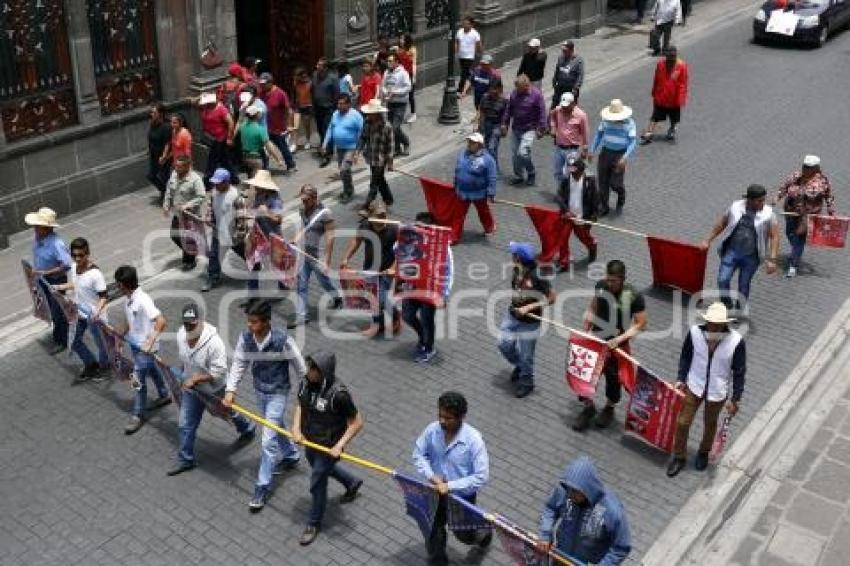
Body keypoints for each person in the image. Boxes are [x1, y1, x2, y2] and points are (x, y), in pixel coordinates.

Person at [223, 300, 305, 511]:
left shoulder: (283, 341)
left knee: (268, 440)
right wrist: (231, 390)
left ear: (267, 322)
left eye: (254, 322)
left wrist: (306, 397)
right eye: (248, 321)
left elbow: (301, 369)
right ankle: (291, 455)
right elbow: (240, 363)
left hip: (278, 393)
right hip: (260, 392)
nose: (250, 326)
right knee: (276, 426)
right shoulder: (246, 338)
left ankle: (262, 486)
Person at [167, 303, 257, 476]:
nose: (188, 328)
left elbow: (219, 371)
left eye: (192, 325)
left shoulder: (214, 343)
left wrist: (196, 378)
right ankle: (186, 459)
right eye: (186, 324)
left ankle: (247, 428)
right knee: (186, 424)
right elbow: (185, 361)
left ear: (201, 322)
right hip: (192, 390)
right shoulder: (180, 335)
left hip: (215, 390)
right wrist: (184, 377)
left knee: (227, 412)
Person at [292, 351, 364, 545]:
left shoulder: (339, 395)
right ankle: (351, 482)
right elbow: (300, 405)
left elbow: (357, 422)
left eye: (313, 369)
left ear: (323, 372)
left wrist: (340, 446)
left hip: (329, 446)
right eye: (309, 367)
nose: (308, 372)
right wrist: (296, 428)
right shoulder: (306, 383)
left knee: (318, 481)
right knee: (318, 467)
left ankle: (314, 523)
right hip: (310, 440)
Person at [412, 391, 492, 565]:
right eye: (440, 415)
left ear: (461, 417)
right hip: (435, 492)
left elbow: (482, 476)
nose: (442, 421)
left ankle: (483, 534)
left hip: (461, 498)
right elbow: (418, 454)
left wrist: (451, 486)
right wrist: (431, 475)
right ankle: (438, 560)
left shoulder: (474, 440)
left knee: (463, 534)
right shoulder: (432, 430)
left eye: (448, 418)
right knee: (433, 527)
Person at [667, 302, 746, 477]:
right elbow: (686, 356)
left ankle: (703, 451)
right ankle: (679, 456)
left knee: (710, 424)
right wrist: (681, 378)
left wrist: (735, 399)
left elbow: (739, 372)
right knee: (683, 422)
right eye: (711, 323)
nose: (714, 327)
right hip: (694, 385)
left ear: (724, 324)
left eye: (718, 325)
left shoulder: (736, 342)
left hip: (717, 391)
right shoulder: (695, 333)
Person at [573, 260, 647, 431]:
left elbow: (641, 324)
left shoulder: (633, 296)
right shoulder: (600, 286)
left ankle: (609, 408)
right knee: (585, 374)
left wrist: (621, 338)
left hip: (617, 346)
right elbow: (593, 308)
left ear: (622, 279)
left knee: (614, 380)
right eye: (608, 279)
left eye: (614, 281)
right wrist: (585, 329)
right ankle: (588, 407)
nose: (610, 283)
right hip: (596, 341)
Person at [537, 456, 631, 564]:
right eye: (569, 490)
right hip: (560, 556)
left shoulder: (612, 510)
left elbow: (621, 547)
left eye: (575, 492)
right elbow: (550, 508)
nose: (570, 495)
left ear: (588, 489)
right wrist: (545, 534)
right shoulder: (565, 491)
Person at [700, 184, 779, 310]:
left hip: (751, 256)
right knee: (722, 280)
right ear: (750, 200)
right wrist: (707, 240)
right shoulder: (735, 207)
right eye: (760, 201)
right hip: (732, 252)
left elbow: (774, 236)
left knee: (743, 284)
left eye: (764, 200)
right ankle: (727, 303)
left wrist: (772, 259)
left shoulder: (769, 214)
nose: (763, 203)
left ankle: (739, 309)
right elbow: (722, 223)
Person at [113, 265, 171, 435]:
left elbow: (161, 321)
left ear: (123, 285)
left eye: (118, 284)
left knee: (136, 380)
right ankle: (164, 394)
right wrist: (119, 336)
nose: (117, 287)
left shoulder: (143, 299)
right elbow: (129, 320)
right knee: (152, 370)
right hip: (135, 344)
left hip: (146, 349)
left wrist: (149, 342)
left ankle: (137, 414)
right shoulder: (128, 299)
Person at [497, 242, 556, 398]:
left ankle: (527, 382)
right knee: (504, 344)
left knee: (526, 356)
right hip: (513, 314)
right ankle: (520, 365)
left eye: (513, 253)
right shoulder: (517, 269)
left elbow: (552, 298)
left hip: (530, 322)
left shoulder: (538, 275)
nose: (511, 255)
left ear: (518, 257)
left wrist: (529, 307)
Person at [340, 202, 401, 337]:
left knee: (383, 299)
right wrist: (346, 258)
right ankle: (377, 324)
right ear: (370, 217)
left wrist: (393, 268)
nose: (382, 218)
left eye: (383, 215)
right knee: (372, 297)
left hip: (386, 271)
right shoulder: (365, 226)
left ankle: (396, 317)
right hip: (369, 269)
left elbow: (403, 251)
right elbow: (356, 240)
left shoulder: (394, 229)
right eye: (378, 215)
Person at [401, 212, 455, 363]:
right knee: (407, 315)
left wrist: (444, 294)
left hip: (431, 289)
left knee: (426, 319)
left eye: (421, 228)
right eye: (416, 227)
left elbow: (449, 272)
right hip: (413, 287)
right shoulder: (410, 242)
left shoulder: (443, 247)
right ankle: (422, 336)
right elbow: (399, 255)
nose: (418, 231)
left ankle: (429, 347)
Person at [53, 237, 109, 380]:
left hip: (95, 316)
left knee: (102, 345)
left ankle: (105, 367)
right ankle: (91, 364)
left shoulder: (95, 274)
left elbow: (104, 296)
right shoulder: (73, 267)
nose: (77, 258)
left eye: (80, 255)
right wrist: (59, 287)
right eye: (74, 255)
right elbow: (76, 284)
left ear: (87, 254)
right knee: (73, 341)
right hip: (80, 314)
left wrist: (96, 311)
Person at [774, 155, 835, 278]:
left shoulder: (822, 181)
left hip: (808, 215)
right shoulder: (795, 176)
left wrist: (830, 210)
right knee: (789, 233)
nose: (805, 169)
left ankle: (793, 264)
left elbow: (828, 195)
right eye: (804, 166)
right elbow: (784, 188)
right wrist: (776, 199)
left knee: (798, 237)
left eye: (809, 167)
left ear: (816, 168)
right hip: (791, 212)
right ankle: (797, 250)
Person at [292, 184, 343, 327]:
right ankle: (302, 316)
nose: (304, 202)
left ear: (315, 198)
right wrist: (296, 237)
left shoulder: (326, 214)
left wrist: (327, 260)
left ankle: (337, 296)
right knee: (301, 284)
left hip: (318, 254)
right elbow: (305, 226)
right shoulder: (302, 210)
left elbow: (330, 237)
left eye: (307, 200)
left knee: (324, 281)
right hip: (305, 252)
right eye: (302, 200)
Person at [26, 207, 72, 354]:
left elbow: (66, 265)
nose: (34, 228)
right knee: (50, 309)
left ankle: (62, 340)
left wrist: (46, 272)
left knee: (57, 311)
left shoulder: (56, 244)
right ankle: (59, 334)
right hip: (42, 280)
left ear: (46, 228)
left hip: (55, 281)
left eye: (37, 226)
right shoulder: (38, 238)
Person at [243, 170, 287, 306]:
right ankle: (253, 295)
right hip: (259, 235)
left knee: (278, 265)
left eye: (258, 185)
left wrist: (266, 212)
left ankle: (283, 287)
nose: (255, 187)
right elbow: (255, 211)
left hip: (273, 236)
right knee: (252, 263)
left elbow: (278, 219)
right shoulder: (259, 195)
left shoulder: (275, 200)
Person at [589, 99, 637, 216]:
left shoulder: (629, 123)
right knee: (603, 181)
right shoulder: (605, 121)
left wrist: (624, 157)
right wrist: (592, 150)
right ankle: (604, 206)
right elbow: (599, 135)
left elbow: (632, 142)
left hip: (619, 155)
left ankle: (621, 193)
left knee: (615, 184)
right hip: (605, 153)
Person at [203, 168, 248, 292]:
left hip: (233, 234)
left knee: (245, 253)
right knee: (214, 255)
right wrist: (208, 217)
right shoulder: (214, 193)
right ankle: (213, 277)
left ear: (227, 182)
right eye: (215, 183)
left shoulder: (236, 196)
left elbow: (242, 218)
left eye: (219, 183)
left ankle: (255, 267)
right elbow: (210, 208)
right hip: (218, 232)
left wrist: (238, 236)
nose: (216, 185)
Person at [452, 133, 498, 245]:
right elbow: (458, 170)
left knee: (483, 212)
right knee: (458, 215)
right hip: (462, 192)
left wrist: (491, 192)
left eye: (472, 142)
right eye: (469, 142)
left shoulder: (488, 160)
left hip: (479, 194)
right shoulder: (463, 154)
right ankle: (454, 237)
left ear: (479, 145)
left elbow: (492, 177)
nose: (469, 144)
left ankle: (489, 227)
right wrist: (455, 183)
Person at [502, 74, 547, 186]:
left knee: (523, 153)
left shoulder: (536, 95)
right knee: (515, 155)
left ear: (527, 86)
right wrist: (505, 124)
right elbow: (509, 109)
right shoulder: (514, 93)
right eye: (517, 88)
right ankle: (519, 175)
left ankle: (531, 172)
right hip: (516, 128)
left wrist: (542, 128)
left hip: (529, 129)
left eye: (520, 89)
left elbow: (542, 112)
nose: (518, 91)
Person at [162, 155, 205, 271]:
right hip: (178, 214)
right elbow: (168, 191)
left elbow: (201, 197)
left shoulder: (195, 179)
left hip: (189, 216)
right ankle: (191, 252)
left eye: (180, 167)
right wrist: (166, 205)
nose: (176, 168)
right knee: (175, 235)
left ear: (187, 167)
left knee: (188, 238)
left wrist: (187, 205)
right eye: (176, 166)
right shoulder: (174, 175)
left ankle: (189, 259)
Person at [554, 158, 598, 270]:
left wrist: (594, 215)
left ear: (582, 172)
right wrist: (566, 211)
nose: (573, 176)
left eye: (576, 174)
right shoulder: (566, 179)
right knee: (562, 238)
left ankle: (592, 247)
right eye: (572, 173)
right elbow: (558, 196)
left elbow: (595, 199)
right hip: (567, 216)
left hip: (582, 217)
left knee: (584, 238)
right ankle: (564, 262)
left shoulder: (590, 181)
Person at [640, 45, 688, 145]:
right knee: (655, 116)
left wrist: (681, 98)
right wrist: (654, 91)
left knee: (674, 118)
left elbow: (683, 83)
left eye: (673, 57)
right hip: (661, 96)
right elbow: (656, 79)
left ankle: (672, 129)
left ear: (676, 55)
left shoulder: (681, 66)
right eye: (669, 57)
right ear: (666, 56)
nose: (671, 59)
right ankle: (649, 133)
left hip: (674, 99)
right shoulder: (660, 64)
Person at [321, 93, 364, 202]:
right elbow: (330, 128)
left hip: (351, 148)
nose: (339, 106)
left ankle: (348, 192)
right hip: (339, 148)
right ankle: (348, 190)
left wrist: (357, 151)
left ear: (349, 104)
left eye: (342, 104)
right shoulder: (335, 114)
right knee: (343, 171)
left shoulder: (356, 116)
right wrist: (325, 143)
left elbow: (362, 133)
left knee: (344, 169)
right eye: (338, 104)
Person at [356, 98, 395, 210]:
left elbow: (390, 146)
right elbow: (363, 137)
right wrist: (357, 151)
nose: (368, 115)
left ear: (377, 113)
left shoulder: (387, 126)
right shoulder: (367, 123)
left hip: (381, 159)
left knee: (374, 182)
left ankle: (368, 203)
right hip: (371, 157)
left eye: (371, 113)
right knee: (380, 180)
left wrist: (390, 162)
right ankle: (388, 199)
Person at [259, 72, 297, 173]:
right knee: (263, 148)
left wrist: (288, 124)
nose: (262, 86)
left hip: (277, 126)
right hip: (264, 126)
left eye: (264, 84)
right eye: (261, 84)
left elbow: (288, 110)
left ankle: (291, 165)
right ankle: (264, 167)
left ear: (270, 83)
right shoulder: (261, 93)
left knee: (282, 146)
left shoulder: (280, 93)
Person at [549, 92, 590, 187]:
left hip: (572, 151)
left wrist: (585, 149)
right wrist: (553, 127)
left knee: (571, 173)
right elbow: (552, 116)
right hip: (559, 148)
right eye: (563, 106)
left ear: (573, 104)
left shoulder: (581, 115)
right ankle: (561, 192)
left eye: (566, 106)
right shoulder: (558, 109)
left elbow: (585, 132)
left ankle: (571, 194)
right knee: (557, 172)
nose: (564, 108)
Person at [198, 91, 237, 186]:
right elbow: (195, 102)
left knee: (212, 161)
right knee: (225, 160)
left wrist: (229, 138)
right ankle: (234, 178)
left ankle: (207, 182)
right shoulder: (206, 106)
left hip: (220, 139)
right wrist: (201, 96)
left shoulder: (221, 109)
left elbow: (231, 123)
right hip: (210, 138)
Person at [238, 105, 283, 177]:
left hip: (245, 156)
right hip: (256, 157)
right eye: (259, 113)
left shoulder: (242, 126)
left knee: (250, 177)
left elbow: (240, 121)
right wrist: (278, 159)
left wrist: (242, 112)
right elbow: (269, 146)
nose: (260, 114)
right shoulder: (260, 130)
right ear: (256, 115)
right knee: (258, 180)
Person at [381, 53, 412, 157]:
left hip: (400, 103)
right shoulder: (386, 73)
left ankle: (406, 142)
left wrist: (395, 92)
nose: (388, 63)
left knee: (395, 127)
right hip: (390, 103)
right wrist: (386, 92)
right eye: (388, 61)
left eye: (390, 61)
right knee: (391, 127)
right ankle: (397, 148)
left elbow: (408, 87)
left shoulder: (403, 73)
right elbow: (383, 85)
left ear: (396, 62)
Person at [477, 78, 507, 163]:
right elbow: (482, 111)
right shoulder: (484, 97)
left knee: (491, 147)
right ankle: (492, 168)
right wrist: (480, 126)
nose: (493, 91)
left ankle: (493, 170)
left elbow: (505, 116)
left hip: (497, 126)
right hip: (486, 125)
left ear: (500, 89)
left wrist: (504, 127)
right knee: (487, 148)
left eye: (495, 89)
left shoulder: (504, 100)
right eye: (491, 89)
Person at [312, 57, 339, 151]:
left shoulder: (333, 78)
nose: (317, 66)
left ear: (325, 68)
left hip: (328, 109)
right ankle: (324, 145)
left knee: (326, 129)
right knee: (320, 129)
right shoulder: (315, 75)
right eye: (317, 64)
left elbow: (336, 95)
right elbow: (313, 90)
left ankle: (327, 152)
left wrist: (334, 109)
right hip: (317, 108)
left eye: (319, 65)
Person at [147, 103, 172, 199]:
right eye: (151, 112)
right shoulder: (152, 124)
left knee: (164, 177)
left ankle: (168, 193)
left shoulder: (166, 127)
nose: (151, 114)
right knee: (151, 175)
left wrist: (164, 156)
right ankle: (164, 190)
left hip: (163, 157)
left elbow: (167, 143)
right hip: (154, 155)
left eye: (154, 112)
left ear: (160, 114)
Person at [551, 40, 585, 108]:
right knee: (554, 106)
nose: (563, 52)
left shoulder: (578, 60)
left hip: (571, 89)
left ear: (571, 50)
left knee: (570, 107)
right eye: (562, 50)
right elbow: (557, 70)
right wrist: (554, 80)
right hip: (560, 86)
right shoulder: (560, 58)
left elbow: (580, 76)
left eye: (565, 50)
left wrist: (576, 88)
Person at [456, 17, 482, 94]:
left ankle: (460, 89)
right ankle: (474, 80)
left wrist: (479, 52)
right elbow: (457, 42)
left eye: (467, 24)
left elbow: (478, 44)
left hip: (469, 56)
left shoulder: (475, 34)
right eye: (464, 23)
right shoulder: (459, 31)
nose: (465, 25)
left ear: (471, 25)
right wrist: (456, 50)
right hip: (461, 55)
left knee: (463, 73)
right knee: (466, 72)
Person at [293, 66, 314, 150]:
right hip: (298, 106)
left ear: (302, 75)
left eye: (297, 75)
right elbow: (295, 94)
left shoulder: (310, 83)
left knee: (306, 125)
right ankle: (295, 143)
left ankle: (308, 141)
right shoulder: (295, 83)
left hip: (307, 106)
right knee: (295, 125)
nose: (295, 77)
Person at [400, 33, 418, 123]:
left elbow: (414, 64)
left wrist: (414, 77)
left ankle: (413, 114)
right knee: (402, 95)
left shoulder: (412, 50)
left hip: (409, 74)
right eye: (400, 39)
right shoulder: (400, 49)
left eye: (402, 39)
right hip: (402, 75)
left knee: (411, 96)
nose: (400, 41)